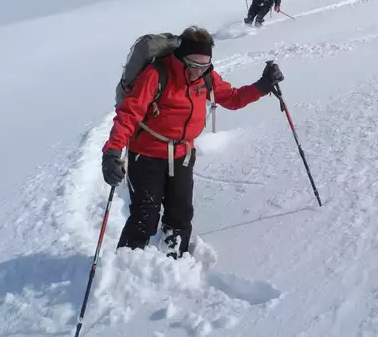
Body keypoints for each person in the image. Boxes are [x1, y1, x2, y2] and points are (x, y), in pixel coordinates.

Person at [101, 26, 284, 258]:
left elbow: (233, 98)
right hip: (146, 154)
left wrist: (263, 84)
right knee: (145, 214)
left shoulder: (206, 76)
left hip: (183, 154)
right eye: (193, 65)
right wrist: (112, 152)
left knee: (180, 213)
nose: (198, 71)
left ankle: (172, 260)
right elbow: (129, 115)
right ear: (180, 58)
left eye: (204, 66)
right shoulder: (156, 75)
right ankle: (124, 267)